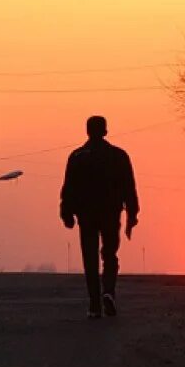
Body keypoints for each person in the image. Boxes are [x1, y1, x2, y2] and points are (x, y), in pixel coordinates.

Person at [60, 115, 139, 319]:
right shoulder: (118, 156)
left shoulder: (77, 157)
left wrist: (66, 213)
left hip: (86, 215)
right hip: (110, 213)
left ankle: (95, 304)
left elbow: (68, 188)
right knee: (110, 254)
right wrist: (132, 214)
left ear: (88, 131)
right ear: (105, 131)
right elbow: (129, 187)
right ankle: (108, 292)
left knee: (90, 258)